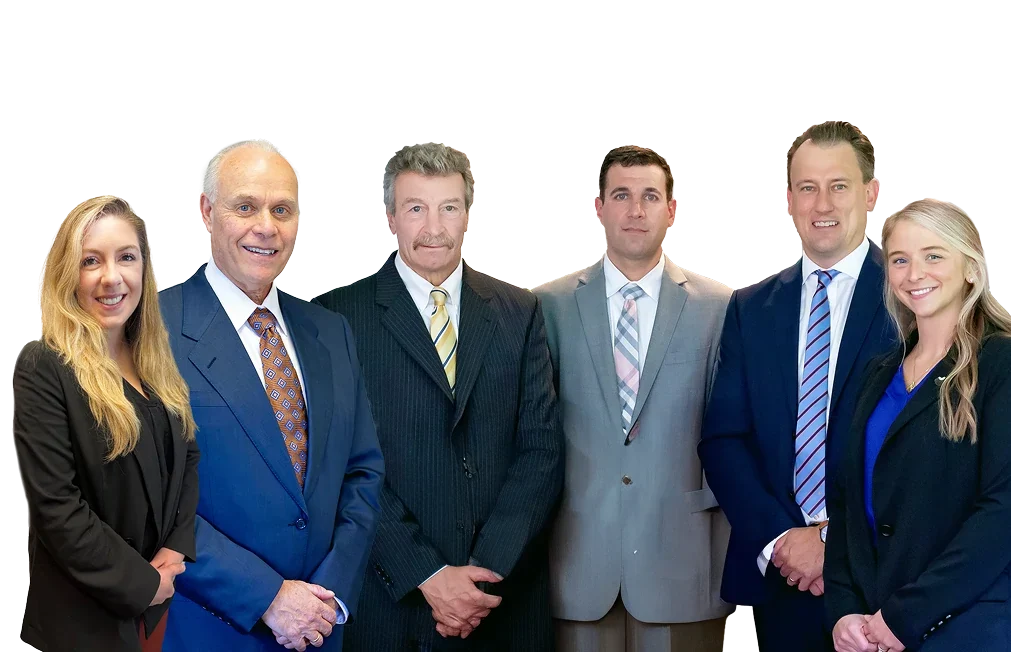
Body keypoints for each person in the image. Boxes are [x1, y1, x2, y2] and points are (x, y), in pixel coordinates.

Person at [312, 142, 564, 651]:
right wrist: (427, 574)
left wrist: (481, 575)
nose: (434, 227)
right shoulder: (334, 318)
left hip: (503, 604)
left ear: (467, 217)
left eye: (449, 207)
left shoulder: (520, 311)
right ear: (390, 219)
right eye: (416, 208)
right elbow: (338, 463)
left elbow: (541, 451)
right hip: (392, 605)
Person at [158, 139, 385, 651]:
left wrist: (327, 597)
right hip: (210, 630)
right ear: (207, 211)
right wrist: (267, 598)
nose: (267, 226)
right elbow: (148, 502)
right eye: (246, 207)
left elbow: (363, 472)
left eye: (282, 209)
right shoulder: (151, 331)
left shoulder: (330, 333)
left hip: (322, 630)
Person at [698, 120, 899, 650]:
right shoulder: (752, 307)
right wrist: (785, 538)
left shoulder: (910, 300)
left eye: (839, 186)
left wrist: (830, 541)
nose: (822, 203)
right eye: (807, 187)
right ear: (789, 199)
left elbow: (921, 453)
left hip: (882, 574)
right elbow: (724, 440)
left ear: (871, 192)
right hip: (780, 572)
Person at [534, 145, 732, 652]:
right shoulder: (546, 307)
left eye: (650, 196)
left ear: (673, 209)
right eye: (621, 195)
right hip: (578, 565)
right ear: (599, 207)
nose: (635, 210)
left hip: (685, 567)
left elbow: (734, 433)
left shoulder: (722, 308)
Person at [14, 195, 200, 651]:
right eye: (90, 261)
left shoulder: (156, 362)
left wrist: (175, 551)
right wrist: (144, 584)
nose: (111, 277)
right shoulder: (44, 364)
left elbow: (189, 457)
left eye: (127, 258)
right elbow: (57, 507)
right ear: (66, 273)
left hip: (162, 610)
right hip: (84, 623)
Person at [825, 198, 1010, 652]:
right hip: (871, 624)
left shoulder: (1001, 362)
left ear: (971, 267)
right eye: (900, 259)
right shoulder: (879, 371)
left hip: (965, 625)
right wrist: (844, 608)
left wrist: (905, 615)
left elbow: (1002, 512)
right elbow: (847, 501)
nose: (914, 274)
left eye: (933, 255)